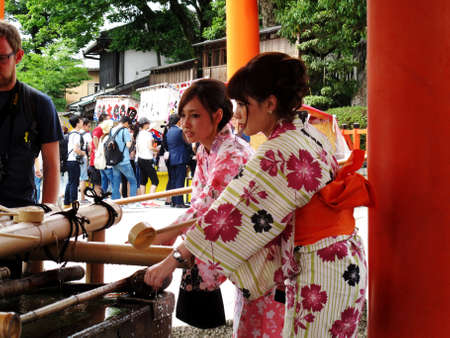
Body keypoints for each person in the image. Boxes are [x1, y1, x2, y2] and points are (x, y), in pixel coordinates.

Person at [144, 53, 372, 337]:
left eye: (243, 104)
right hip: (339, 258)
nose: (236, 112)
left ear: (270, 103)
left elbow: (229, 214)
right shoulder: (305, 133)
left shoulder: (280, 149)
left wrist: (173, 259)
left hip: (319, 268)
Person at [150, 79, 254, 329]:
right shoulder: (206, 150)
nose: (185, 124)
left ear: (218, 115)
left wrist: (168, 238)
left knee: (259, 324)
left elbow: (209, 210)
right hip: (242, 256)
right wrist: (165, 234)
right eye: (183, 115)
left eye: (194, 115)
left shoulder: (233, 152)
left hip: (259, 253)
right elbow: (198, 202)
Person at [0, 21, 62, 208]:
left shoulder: (39, 104)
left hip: (21, 213)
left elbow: (51, 167)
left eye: (1, 58)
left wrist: (48, 214)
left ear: (18, 56)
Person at [110, 115, 137, 199]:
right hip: (124, 160)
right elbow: (129, 145)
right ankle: (133, 201)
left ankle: (116, 200)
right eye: (128, 125)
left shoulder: (112, 129)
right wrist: (131, 140)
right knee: (133, 181)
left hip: (114, 160)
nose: (128, 127)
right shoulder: (125, 130)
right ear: (125, 123)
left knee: (116, 181)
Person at [166, 114, 190, 208]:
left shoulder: (169, 131)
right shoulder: (180, 131)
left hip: (172, 158)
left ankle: (174, 201)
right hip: (180, 158)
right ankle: (179, 202)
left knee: (174, 180)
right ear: (178, 121)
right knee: (180, 180)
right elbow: (187, 143)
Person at [64, 116, 86, 207]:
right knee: (74, 182)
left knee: (70, 181)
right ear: (77, 123)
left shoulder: (71, 133)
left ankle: (67, 202)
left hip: (69, 160)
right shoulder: (76, 135)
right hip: (74, 160)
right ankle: (74, 202)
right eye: (81, 121)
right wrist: (83, 153)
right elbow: (76, 149)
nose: (82, 122)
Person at [135, 117, 159, 194]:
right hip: (147, 159)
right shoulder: (148, 134)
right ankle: (150, 199)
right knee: (155, 181)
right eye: (148, 123)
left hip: (140, 158)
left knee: (143, 180)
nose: (149, 124)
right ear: (145, 124)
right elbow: (150, 147)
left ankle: (143, 199)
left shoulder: (139, 134)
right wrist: (157, 150)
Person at [88, 113, 109, 196]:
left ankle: (99, 197)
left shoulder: (102, 129)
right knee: (97, 183)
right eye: (108, 119)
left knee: (101, 181)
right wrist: (98, 150)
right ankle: (97, 199)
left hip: (98, 160)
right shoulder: (99, 128)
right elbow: (95, 138)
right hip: (96, 161)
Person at [79, 118, 92, 203]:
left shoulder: (76, 132)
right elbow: (90, 147)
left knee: (78, 178)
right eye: (88, 126)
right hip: (83, 158)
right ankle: (82, 198)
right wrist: (90, 156)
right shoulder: (87, 135)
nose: (89, 128)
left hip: (75, 158)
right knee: (83, 178)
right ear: (84, 125)